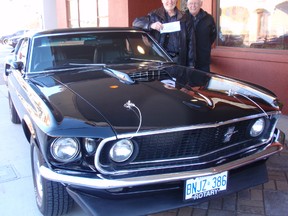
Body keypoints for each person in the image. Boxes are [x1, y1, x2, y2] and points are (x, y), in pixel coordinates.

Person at [132, 0, 195, 67]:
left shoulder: (185, 17)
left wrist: (191, 65)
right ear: (162, 1)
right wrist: (151, 25)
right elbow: (136, 22)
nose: (170, 2)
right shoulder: (154, 15)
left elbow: (191, 43)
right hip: (160, 59)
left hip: (179, 60)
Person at [186, 0, 217, 72]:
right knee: (186, 82)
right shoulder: (182, 18)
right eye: (191, 3)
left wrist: (205, 46)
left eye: (196, 3)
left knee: (203, 81)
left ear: (201, 4)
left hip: (203, 59)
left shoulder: (209, 18)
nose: (193, 6)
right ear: (187, 5)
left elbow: (213, 35)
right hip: (186, 59)